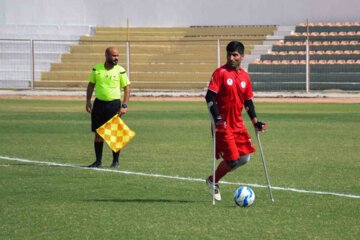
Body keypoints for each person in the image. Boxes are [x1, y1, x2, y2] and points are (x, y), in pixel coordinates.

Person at [205, 41, 266, 201]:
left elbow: (248, 102)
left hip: (238, 124)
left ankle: (213, 179)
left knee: (245, 158)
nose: (231, 58)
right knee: (232, 161)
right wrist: (217, 118)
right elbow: (209, 96)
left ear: (242, 57)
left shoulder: (245, 76)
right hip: (223, 125)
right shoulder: (220, 73)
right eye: (229, 54)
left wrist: (255, 122)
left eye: (235, 55)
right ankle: (213, 181)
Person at [85, 47, 131, 168]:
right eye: (114, 56)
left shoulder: (120, 70)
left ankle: (115, 161)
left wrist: (124, 105)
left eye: (117, 56)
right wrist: (88, 101)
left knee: (114, 133)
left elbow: (127, 88)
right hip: (99, 104)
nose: (116, 58)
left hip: (114, 105)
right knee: (98, 133)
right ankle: (98, 161)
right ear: (106, 56)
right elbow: (91, 85)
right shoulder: (97, 69)